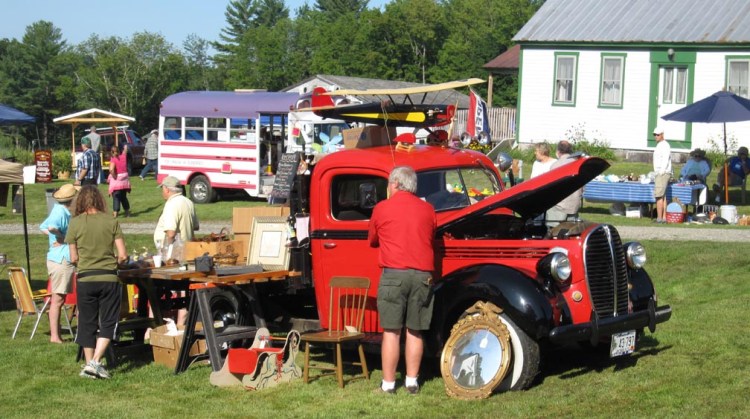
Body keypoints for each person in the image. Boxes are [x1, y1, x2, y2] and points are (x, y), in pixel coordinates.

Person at [368, 166, 436, 395]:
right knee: (415, 331)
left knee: (391, 331)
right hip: (422, 275)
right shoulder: (428, 209)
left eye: (389, 184)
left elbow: (372, 239)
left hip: (394, 273)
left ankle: (388, 384)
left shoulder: (382, 208)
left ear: (395, 184)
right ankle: (412, 381)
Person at [66, 185, 128, 379]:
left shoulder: (75, 223)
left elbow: (73, 257)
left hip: (85, 278)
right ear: (100, 200)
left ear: (81, 201)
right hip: (108, 277)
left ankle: (89, 363)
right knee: (108, 321)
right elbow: (123, 255)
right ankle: (96, 362)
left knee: (86, 322)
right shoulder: (111, 220)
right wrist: (115, 261)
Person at [154, 175, 199, 325]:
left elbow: (171, 232)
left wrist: (166, 254)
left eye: (163, 189)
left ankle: (156, 326)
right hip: (186, 254)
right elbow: (195, 226)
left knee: (155, 290)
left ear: (167, 189)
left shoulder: (172, 204)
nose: (162, 192)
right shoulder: (188, 202)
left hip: (174, 257)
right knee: (186, 292)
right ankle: (181, 325)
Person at [39, 184, 78, 344]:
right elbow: (50, 227)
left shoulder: (61, 210)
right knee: (58, 299)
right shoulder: (60, 212)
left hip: (60, 258)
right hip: (61, 259)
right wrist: (61, 237)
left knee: (59, 298)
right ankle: (55, 336)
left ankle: (57, 334)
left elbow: (42, 227)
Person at [546, 141, 582, 225]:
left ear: (558, 152)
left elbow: (551, 188)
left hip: (560, 206)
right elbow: (583, 188)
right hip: (574, 204)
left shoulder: (555, 166)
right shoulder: (578, 164)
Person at [652, 126, 672, 223]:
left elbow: (665, 159)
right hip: (660, 172)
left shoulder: (664, 145)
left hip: (662, 172)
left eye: (658, 135)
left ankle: (659, 218)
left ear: (662, 135)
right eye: (654, 135)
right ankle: (663, 218)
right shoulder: (660, 145)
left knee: (658, 196)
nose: (656, 136)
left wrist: (661, 171)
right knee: (662, 196)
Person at [108, 144, 131, 218]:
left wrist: (114, 176)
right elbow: (125, 150)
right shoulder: (123, 156)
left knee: (116, 197)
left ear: (112, 152)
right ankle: (127, 213)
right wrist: (125, 146)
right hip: (124, 181)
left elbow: (111, 169)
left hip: (117, 181)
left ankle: (115, 214)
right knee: (124, 197)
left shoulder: (113, 159)